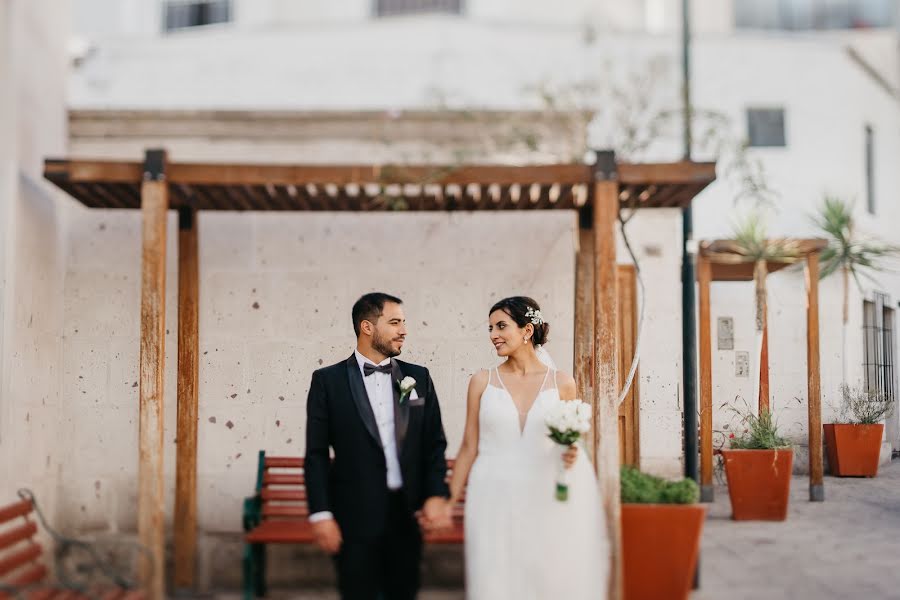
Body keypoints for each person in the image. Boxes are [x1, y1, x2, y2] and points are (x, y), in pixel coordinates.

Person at [447, 296, 609, 599]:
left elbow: (571, 442)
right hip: (492, 493)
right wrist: (448, 500)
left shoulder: (562, 383)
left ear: (527, 331)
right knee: (495, 574)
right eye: (490, 328)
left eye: (501, 326)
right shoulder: (481, 381)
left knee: (545, 573)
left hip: (543, 492)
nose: (493, 334)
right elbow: (469, 446)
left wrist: (571, 453)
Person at [304, 292, 452, 600]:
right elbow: (316, 454)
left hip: (407, 514)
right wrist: (321, 513)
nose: (404, 330)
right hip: (352, 516)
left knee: (404, 592)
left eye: (404, 322)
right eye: (395, 322)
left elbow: (434, 444)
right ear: (367, 327)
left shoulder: (418, 377)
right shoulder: (327, 381)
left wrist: (437, 494)